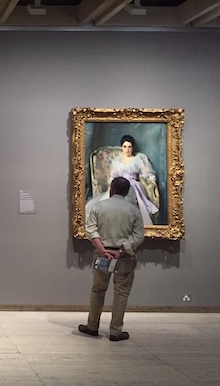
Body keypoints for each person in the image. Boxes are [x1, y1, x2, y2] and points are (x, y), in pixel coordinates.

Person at [79, 176, 145, 342]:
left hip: (103, 255)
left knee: (98, 290)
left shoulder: (98, 207)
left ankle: (92, 325)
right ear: (126, 192)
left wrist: (103, 250)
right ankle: (115, 331)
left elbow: (90, 230)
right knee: (121, 293)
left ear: (111, 189)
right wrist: (122, 250)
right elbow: (138, 236)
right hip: (124, 257)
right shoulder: (133, 210)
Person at [86, 135, 159, 225]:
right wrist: (113, 184)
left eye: (129, 147)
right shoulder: (117, 161)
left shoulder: (138, 160)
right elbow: (113, 176)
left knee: (131, 198)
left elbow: (148, 173)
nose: (127, 150)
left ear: (132, 147)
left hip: (133, 185)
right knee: (110, 201)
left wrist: (150, 180)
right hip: (119, 184)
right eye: (125, 147)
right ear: (122, 147)